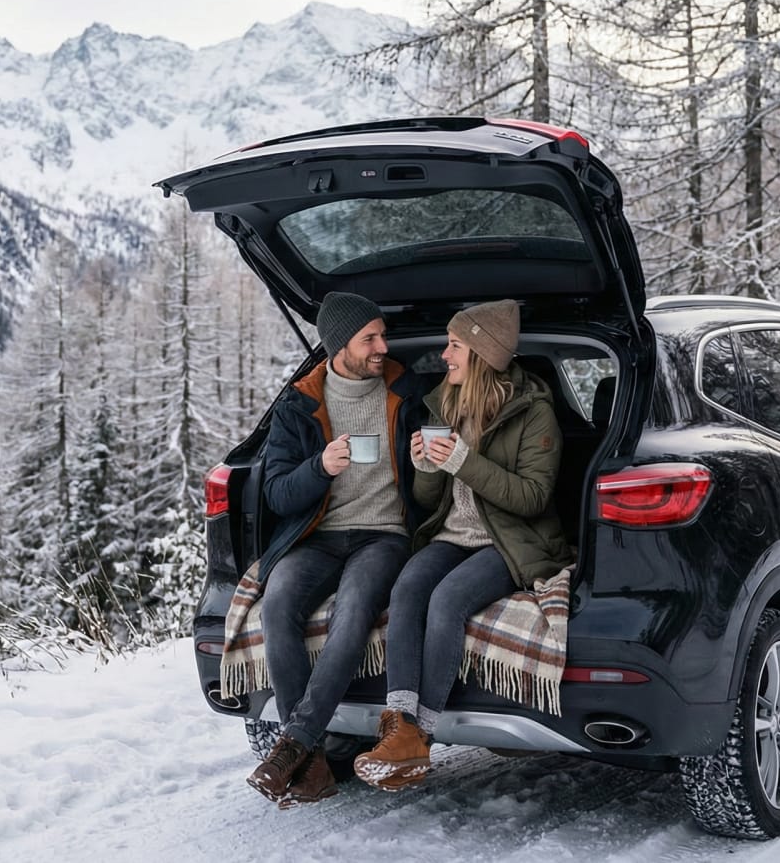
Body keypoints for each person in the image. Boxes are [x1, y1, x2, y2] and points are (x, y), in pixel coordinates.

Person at [352, 299, 572, 791]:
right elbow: (432, 500)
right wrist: (428, 467)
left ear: (481, 352)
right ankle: (398, 724)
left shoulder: (535, 413)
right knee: (408, 589)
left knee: (447, 600)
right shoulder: (444, 404)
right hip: (454, 535)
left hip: (512, 540)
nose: (445, 355)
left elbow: (533, 499)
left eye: (454, 346)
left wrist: (463, 460)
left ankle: (420, 736)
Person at [245, 291, 424, 808]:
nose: (382, 347)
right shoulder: (299, 404)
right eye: (370, 338)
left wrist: (427, 462)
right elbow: (277, 493)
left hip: (384, 534)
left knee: (352, 613)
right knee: (276, 605)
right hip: (319, 536)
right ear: (338, 344)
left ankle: (295, 743)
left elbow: (432, 481)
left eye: (381, 335)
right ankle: (316, 764)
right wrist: (319, 467)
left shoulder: (406, 391)